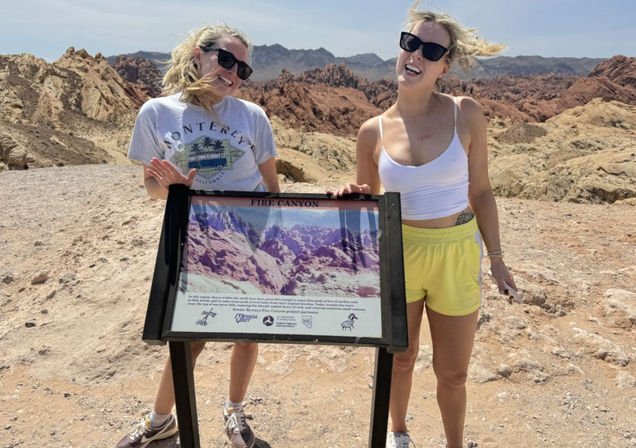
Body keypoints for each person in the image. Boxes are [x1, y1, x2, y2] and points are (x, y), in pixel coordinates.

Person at [334, 2, 517, 447]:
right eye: (410, 44)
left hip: (456, 252)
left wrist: (496, 258)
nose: (416, 55)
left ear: (444, 65)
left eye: (430, 51)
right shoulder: (371, 132)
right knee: (399, 359)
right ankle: (399, 434)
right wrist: (352, 199)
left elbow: (482, 192)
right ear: (400, 49)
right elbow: (372, 204)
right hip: (399, 253)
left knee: (453, 373)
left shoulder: (465, 114)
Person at [116, 24, 279, 448]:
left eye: (242, 68)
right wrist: (170, 188)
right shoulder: (156, 113)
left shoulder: (253, 117)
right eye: (225, 59)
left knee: (247, 332)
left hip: (248, 239)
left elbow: (272, 187)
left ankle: (235, 412)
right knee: (189, 338)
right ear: (197, 55)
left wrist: (270, 242)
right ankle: (160, 422)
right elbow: (151, 187)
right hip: (193, 242)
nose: (233, 73)